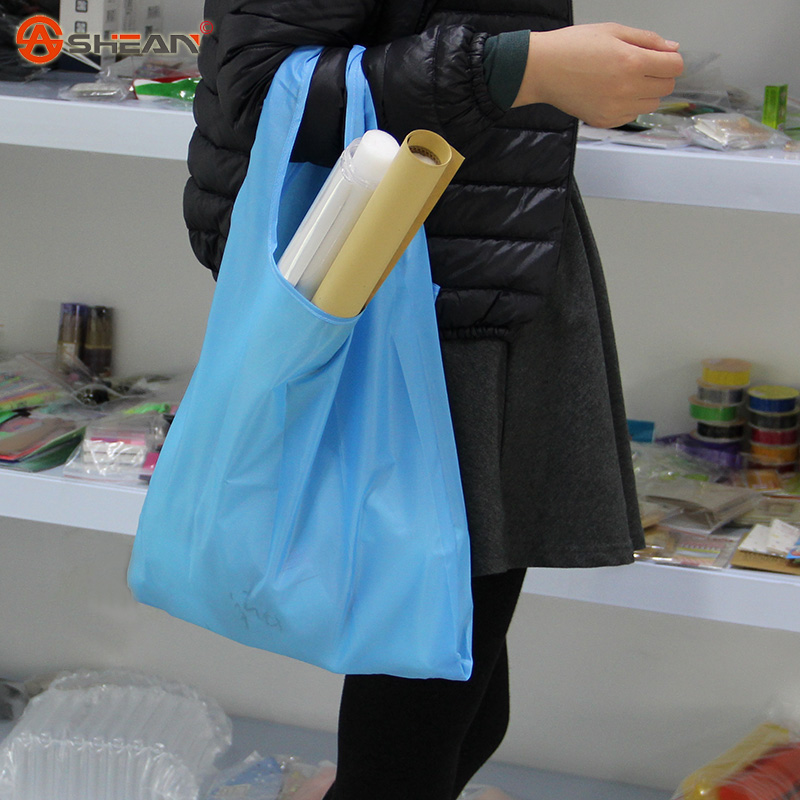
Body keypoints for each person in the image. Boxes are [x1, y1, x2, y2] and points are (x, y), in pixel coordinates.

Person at [183, 3, 683, 799]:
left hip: (477, 258)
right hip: (413, 296)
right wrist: (523, 68)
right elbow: (261, 87)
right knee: (414, 742)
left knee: (461, 712)